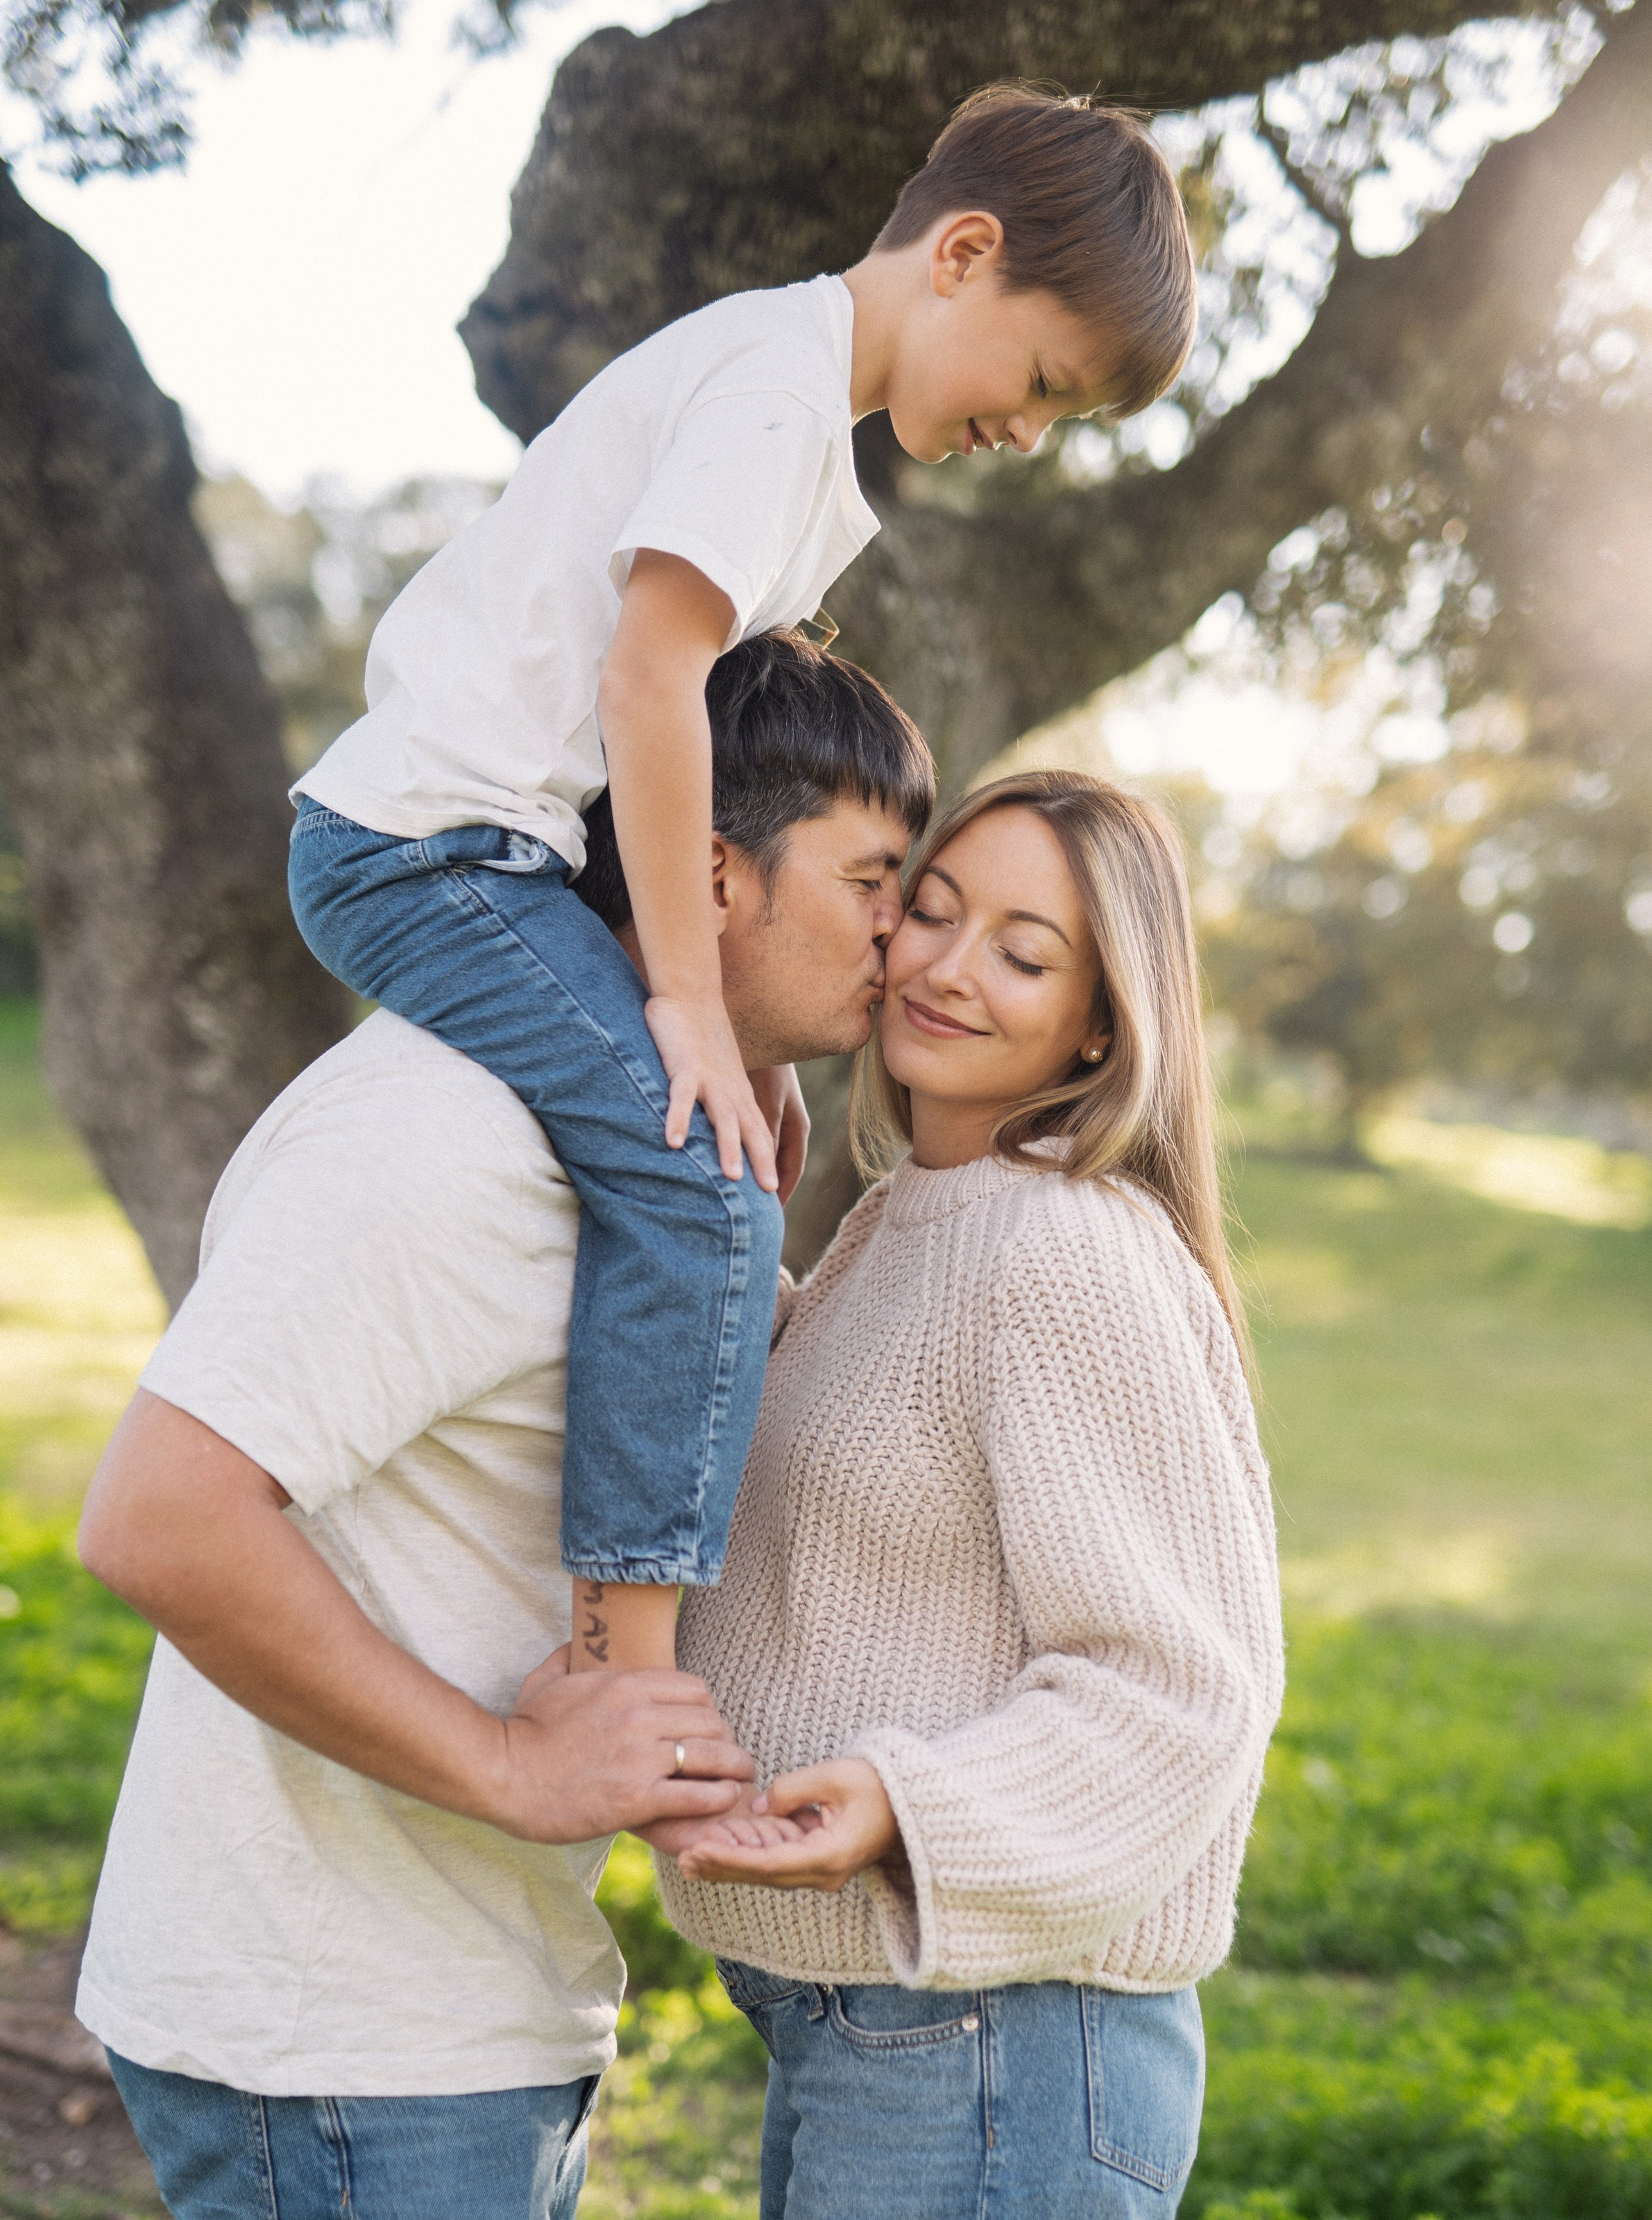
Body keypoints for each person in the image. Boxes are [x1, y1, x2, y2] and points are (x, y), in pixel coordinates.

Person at [285, 87, 1198, 1684]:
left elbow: (708, 726)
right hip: (425, 850)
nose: (1024, 435)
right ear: (962, 255)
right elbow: (652, 686)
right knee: (698, 1182)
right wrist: (691, 1015)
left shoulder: (791, 414)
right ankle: (631, 1669)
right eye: (1040, 382)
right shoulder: (772, 398)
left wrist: (748, 1044)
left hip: (490, 849)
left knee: (717, 1143)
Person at [73, 634, 936, 2220]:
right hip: (342, 2042)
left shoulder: (650, 1164)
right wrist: (506, 1767)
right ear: (709, 872)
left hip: (455, 2008)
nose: (907, 932)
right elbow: (160, 1517)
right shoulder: (448, 1132)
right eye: (875, 875)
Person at [657, 770, 1286, 2219]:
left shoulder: (1059, 1250)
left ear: (1102, 1020)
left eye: (1022, 950)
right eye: (928, 911)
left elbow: (1179, 1686)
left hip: (996, 2041)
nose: (945, 965)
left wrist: (899, 1798)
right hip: (878, 2024)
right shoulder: (911, 1218)